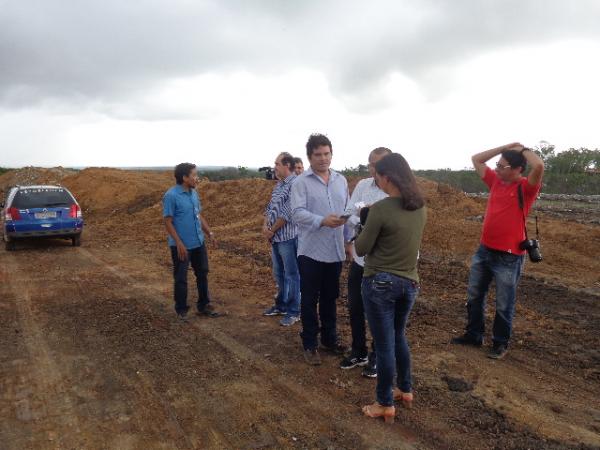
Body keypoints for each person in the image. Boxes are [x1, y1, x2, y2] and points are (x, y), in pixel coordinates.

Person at [451, 143, 544, 359]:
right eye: (497, 165)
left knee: (504, 303)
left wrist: (521, 150)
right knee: (475, 295)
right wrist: (506, 147)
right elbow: (476, 158)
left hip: (509, 257)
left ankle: (500, 343)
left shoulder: (525, 188)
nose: (498, 169)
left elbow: (538, 165)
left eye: (502, 166)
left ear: (518, 169)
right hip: (484, 251)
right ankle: (474, 335)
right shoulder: (495, 181)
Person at [355, 152, 426, 423]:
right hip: (410, 282)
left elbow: (361, 248)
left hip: (380, 282)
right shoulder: (420, 207)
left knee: (384, 345)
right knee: (398, 337)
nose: (376, 180)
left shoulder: (381, 209)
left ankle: (384, 402)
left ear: (387, 177)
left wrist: (365, 222)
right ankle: (404, 389)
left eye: (377, 176)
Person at [291, 133, 351, 365]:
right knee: (309, 299)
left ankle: (329, 338)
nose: (323, 159)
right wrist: (321, 220)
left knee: (330, 297)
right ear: (309, 157)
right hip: (310, 251)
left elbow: (346, 211)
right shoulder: (301, 183)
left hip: (335, 251)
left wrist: (348, 242)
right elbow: (297, 214)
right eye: (318, 155)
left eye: (327, 154)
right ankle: (309, 343)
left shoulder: (341, 180)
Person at [340, 147, 391, 378]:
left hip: (382, 264)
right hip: (361, 260)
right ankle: (359, 350)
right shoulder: (362, 186)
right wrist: (362, 219)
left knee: (380, 313)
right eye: (370, 164)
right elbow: (349, 213)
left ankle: (378, 357)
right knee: (356, 307)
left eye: (377, 165)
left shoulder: (395, 192)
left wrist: (367, 221)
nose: (373, 169)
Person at [163, 163, 221, 321]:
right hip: (181, 246)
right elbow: (168, 222)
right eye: (194, 175)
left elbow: (198, 215)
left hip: (198, 242)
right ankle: (181, 310)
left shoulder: (194, 193)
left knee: (202, 273)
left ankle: (204, 305)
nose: (197, 178)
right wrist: (179, 243)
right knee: (181, 277)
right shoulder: (171, 196)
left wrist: (209, 233)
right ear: (184, 178)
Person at [262, 152, 301, 326]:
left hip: (288, 237)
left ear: (287, 166)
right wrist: (265, 227)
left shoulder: (295, 184)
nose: (274, 167)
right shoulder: (279, 185)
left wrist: (271, 230)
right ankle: (281, 305)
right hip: (275, 238)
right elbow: (270, 208)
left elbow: (287, 213)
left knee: (292, 275)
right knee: (279, 274)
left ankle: (294, 311)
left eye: (277, 163)